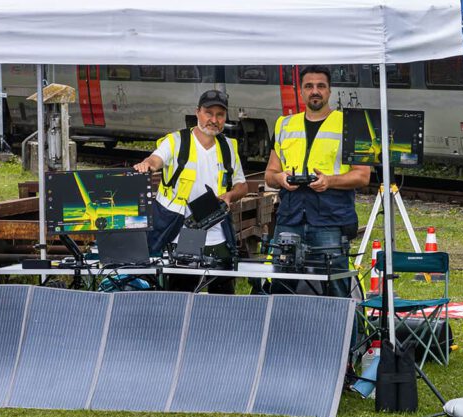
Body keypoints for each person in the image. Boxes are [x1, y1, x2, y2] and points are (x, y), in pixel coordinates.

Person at [264, 65, 371, 297]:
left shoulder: (351, 123)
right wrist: (281, 178)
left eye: (321, 86)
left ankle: (344, 333)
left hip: (330, 219)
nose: (315, 91)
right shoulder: (284, 125)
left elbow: (363, 175)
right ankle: (282, 333)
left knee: (336, 287)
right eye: (309, 86)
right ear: (300, 92)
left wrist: (329, 181)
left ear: (330, 91)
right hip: (290, 218)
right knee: (281, 286)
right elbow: (270, 175)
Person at [134, 89, 247, 294]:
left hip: (218, 234)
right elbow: (156, 159)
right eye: (208, 113)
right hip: (183, 234)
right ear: (197, 113)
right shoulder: (176, 141)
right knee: (181, 295)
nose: (214, 119)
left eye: (220, 115)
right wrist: (147, 164)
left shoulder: (229, 147)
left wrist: (230, 195)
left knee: (224, 299)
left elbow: (242, 185)